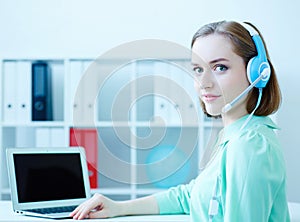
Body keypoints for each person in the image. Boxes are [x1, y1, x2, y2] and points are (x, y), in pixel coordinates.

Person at [70, 20, 290, 221]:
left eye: (220, 67)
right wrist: (118, 207)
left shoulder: (250, 145)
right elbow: (190, 196)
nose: (204, 82)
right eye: (198, 69)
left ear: (257, 73)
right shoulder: (235, 135)